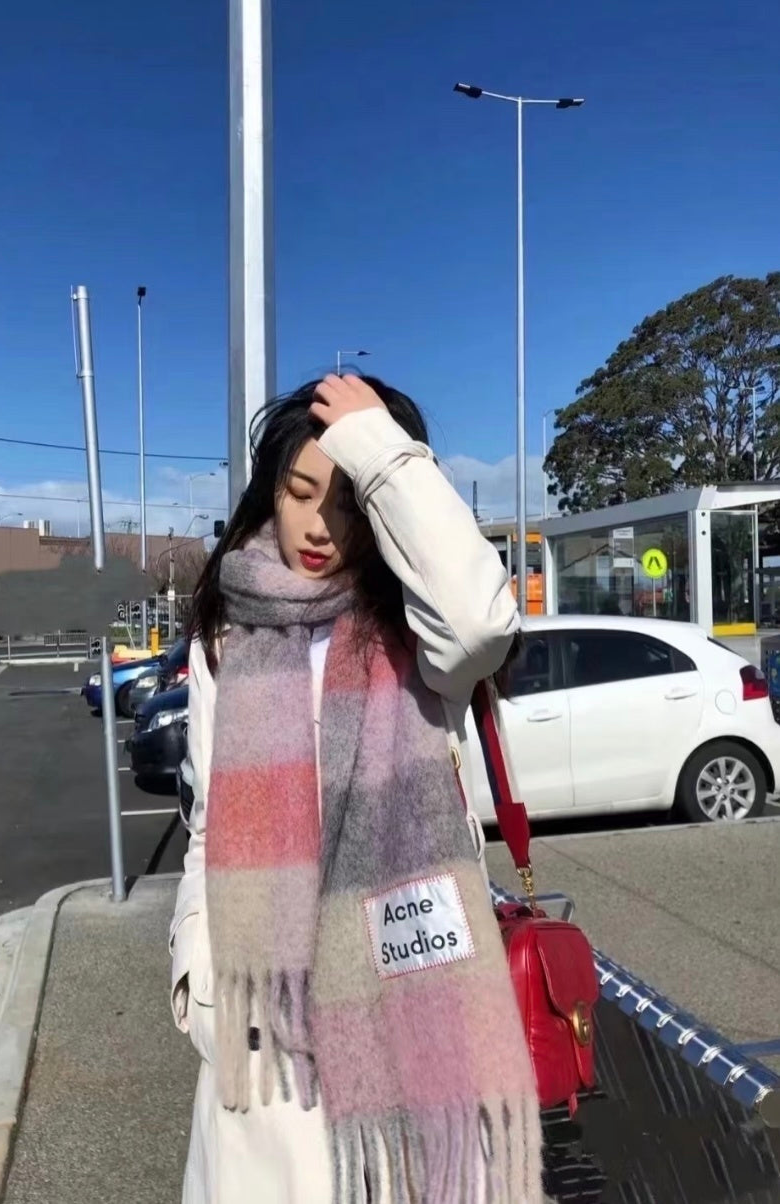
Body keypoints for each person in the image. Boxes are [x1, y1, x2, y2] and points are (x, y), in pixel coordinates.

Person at [170, 374, 544, 1204]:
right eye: (299, 493)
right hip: (271, 1022)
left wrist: (383, 449)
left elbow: (482, 621)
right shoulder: (226, 635)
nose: (319, 527)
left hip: (413, 997)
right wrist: (197, 972)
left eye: (349, 504)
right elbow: (209, 827)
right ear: (269, 490)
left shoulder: (418, 631)